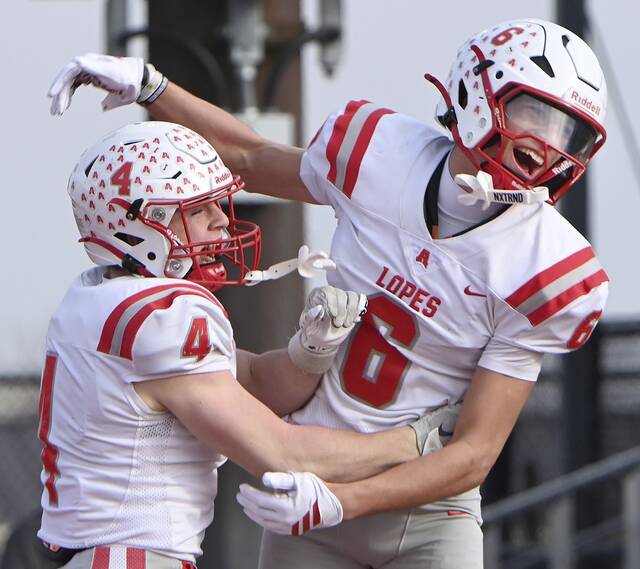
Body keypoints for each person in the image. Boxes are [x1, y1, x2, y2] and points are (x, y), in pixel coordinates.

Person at [48, 17, 610, 569]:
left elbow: (472, 455)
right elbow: (248, 157)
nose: (551, 147)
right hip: (310, 491)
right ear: (479, 92)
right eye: (536, 115)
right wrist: (156, 87)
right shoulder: (379, 156)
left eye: (570, 134)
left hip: (424, 509)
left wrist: (343, 498)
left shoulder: (551, 270)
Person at [35, 120, 429, 569]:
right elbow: (282, 454)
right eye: (200, 209)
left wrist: (311, 350)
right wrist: (412, 443)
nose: (223, 220)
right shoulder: (164, 314)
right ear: (144, 226)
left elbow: (257, 381)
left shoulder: (96, 297)